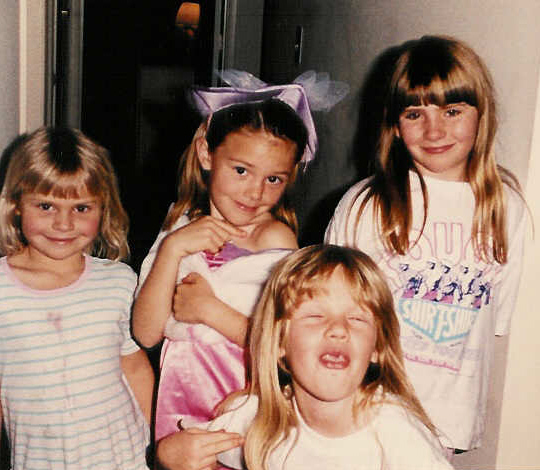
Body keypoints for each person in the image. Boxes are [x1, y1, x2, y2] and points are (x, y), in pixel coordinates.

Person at [325, 35, 527, 453]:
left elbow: (497, 319)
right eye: (414, 114)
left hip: (446, 424)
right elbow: (326, 310)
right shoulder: (365, 206)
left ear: (481, 115)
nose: (435, 130)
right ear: (395, 126)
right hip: (365, 409)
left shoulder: (506, 209)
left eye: (452, 111)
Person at [132, 71, 348, 443]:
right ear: (206, 153)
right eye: (241, 170)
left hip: (245, 398)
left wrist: (209, 311)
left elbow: (288, 345)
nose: (255, 192)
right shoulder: (180, 227)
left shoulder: (275, 240)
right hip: (180, 396)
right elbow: (146, 332)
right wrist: (172, 249)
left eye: (274, 179)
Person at [155, 244, 453, 470]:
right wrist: (166, 456)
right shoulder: (258, 418)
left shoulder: (397, 434)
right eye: (315, 316)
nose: (339, 329)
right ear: (279, 342)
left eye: (357, 318)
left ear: (377, 347)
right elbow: (184, 451)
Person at [0, 127, 153, 469]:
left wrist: (158, 442)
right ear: (16, 205)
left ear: (104, 209)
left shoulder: (118, 281)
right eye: (46, 206)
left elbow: (135, 367)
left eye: (82, 208)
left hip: (124, 459)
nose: (64, 224)